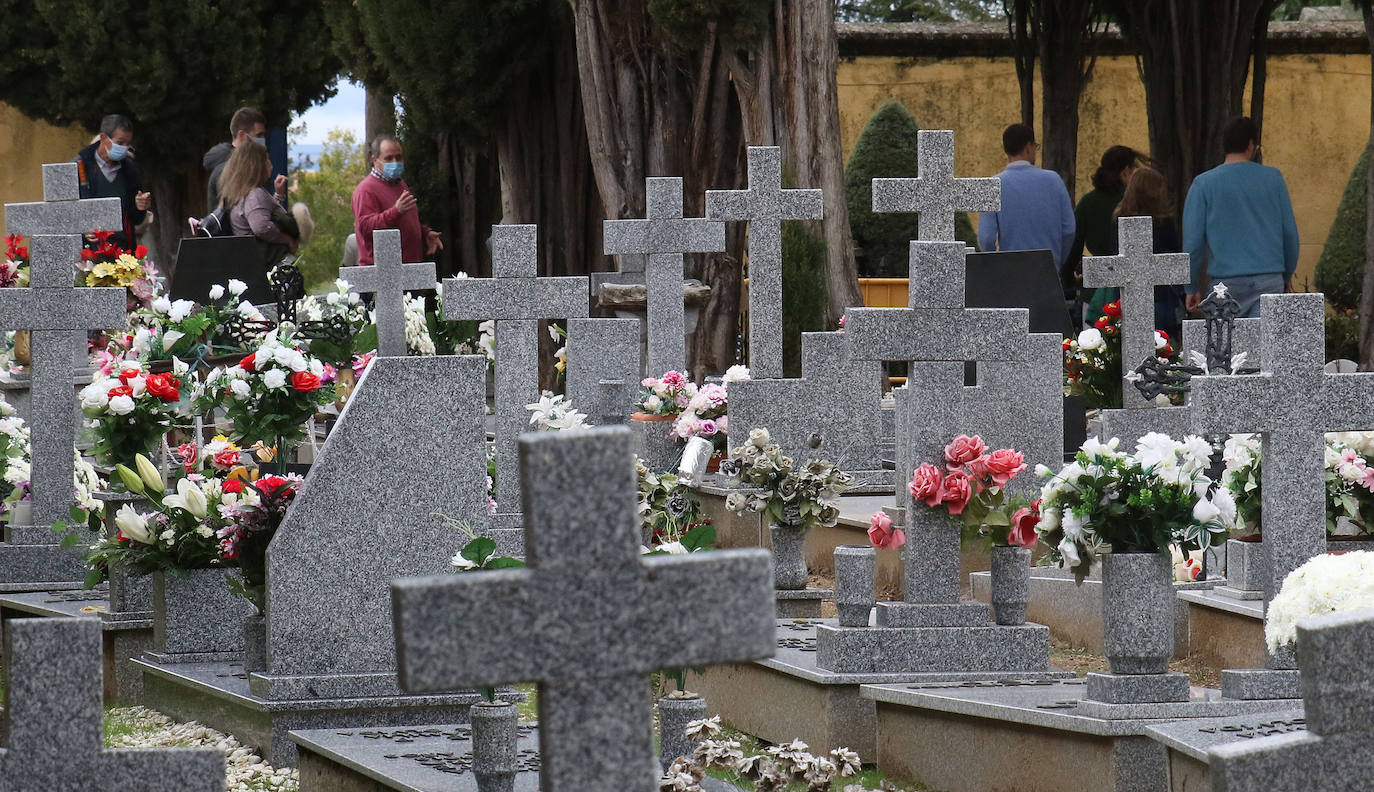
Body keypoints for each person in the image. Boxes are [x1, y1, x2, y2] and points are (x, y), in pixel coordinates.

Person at [1182, 116, 1299, 318]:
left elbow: (1193, 242)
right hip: (1268, 279)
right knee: (1266, 347)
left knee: (1225, 347)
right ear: (1251, 145)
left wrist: (1191, 287)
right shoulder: (1274, 179)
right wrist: (1286, 275)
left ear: (1224, 146)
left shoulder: (1203, 184)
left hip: (1224, 284)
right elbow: (1290, 234)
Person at [1086, 167, 1185, 340]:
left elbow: (1115, 258)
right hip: (1160, 297)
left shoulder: (1119, 220)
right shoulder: (1164, 221)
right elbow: (1175, 259)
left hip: (1125, 296)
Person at [977, 123, 1076, 273]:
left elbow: (987, 238)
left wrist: (995, 266)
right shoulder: (1054, 180)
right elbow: (1069, 230)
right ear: (1029, 147)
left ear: (1006, 149)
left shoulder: (992, 185)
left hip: (1010, 273)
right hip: (1047, 270)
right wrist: (1057, 261)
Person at [1065, 146, 1139, 318]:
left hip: (1095, 290)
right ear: (1126, 171)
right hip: (1135, 287)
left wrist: (1069, 280)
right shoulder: (1134, 203)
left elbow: (1074, 248)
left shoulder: (1088, 202)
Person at [351, 135, 442, 266]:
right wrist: (396, 211)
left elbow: (404, 221)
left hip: (408, 270)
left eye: (399, 157)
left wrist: (424, 232)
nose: (395, 162)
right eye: (388, 158)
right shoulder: (365, 190)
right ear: (375, 160)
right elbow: (365, 228)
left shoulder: (400, 184)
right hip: (383, 274)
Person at [74, 114, 150, 251]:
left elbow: (136, 219)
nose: (124, 148)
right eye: (120, 143)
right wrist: (82, 228)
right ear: (103, 138)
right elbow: (66, 211)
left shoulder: (130, 170)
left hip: (123, 251)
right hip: (88, 252)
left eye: (128, 144)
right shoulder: (79, 167)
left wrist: (140, 207)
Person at [219, 141, 298, 269]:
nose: (270, 164)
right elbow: (261, 227)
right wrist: (287, 239)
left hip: (250, 264)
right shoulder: (255, 194)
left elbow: (260, 213)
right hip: (265, 265)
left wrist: (278, 195)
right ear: (256, 165)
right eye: (266, 159)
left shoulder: (240, 194)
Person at [203, 107, 287, 214]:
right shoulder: (232, 170)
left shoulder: (240, 167)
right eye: (259, 135)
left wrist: (278, 196)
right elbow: (252, 216)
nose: (263, 140)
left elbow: (258, 212)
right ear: (242, 135)